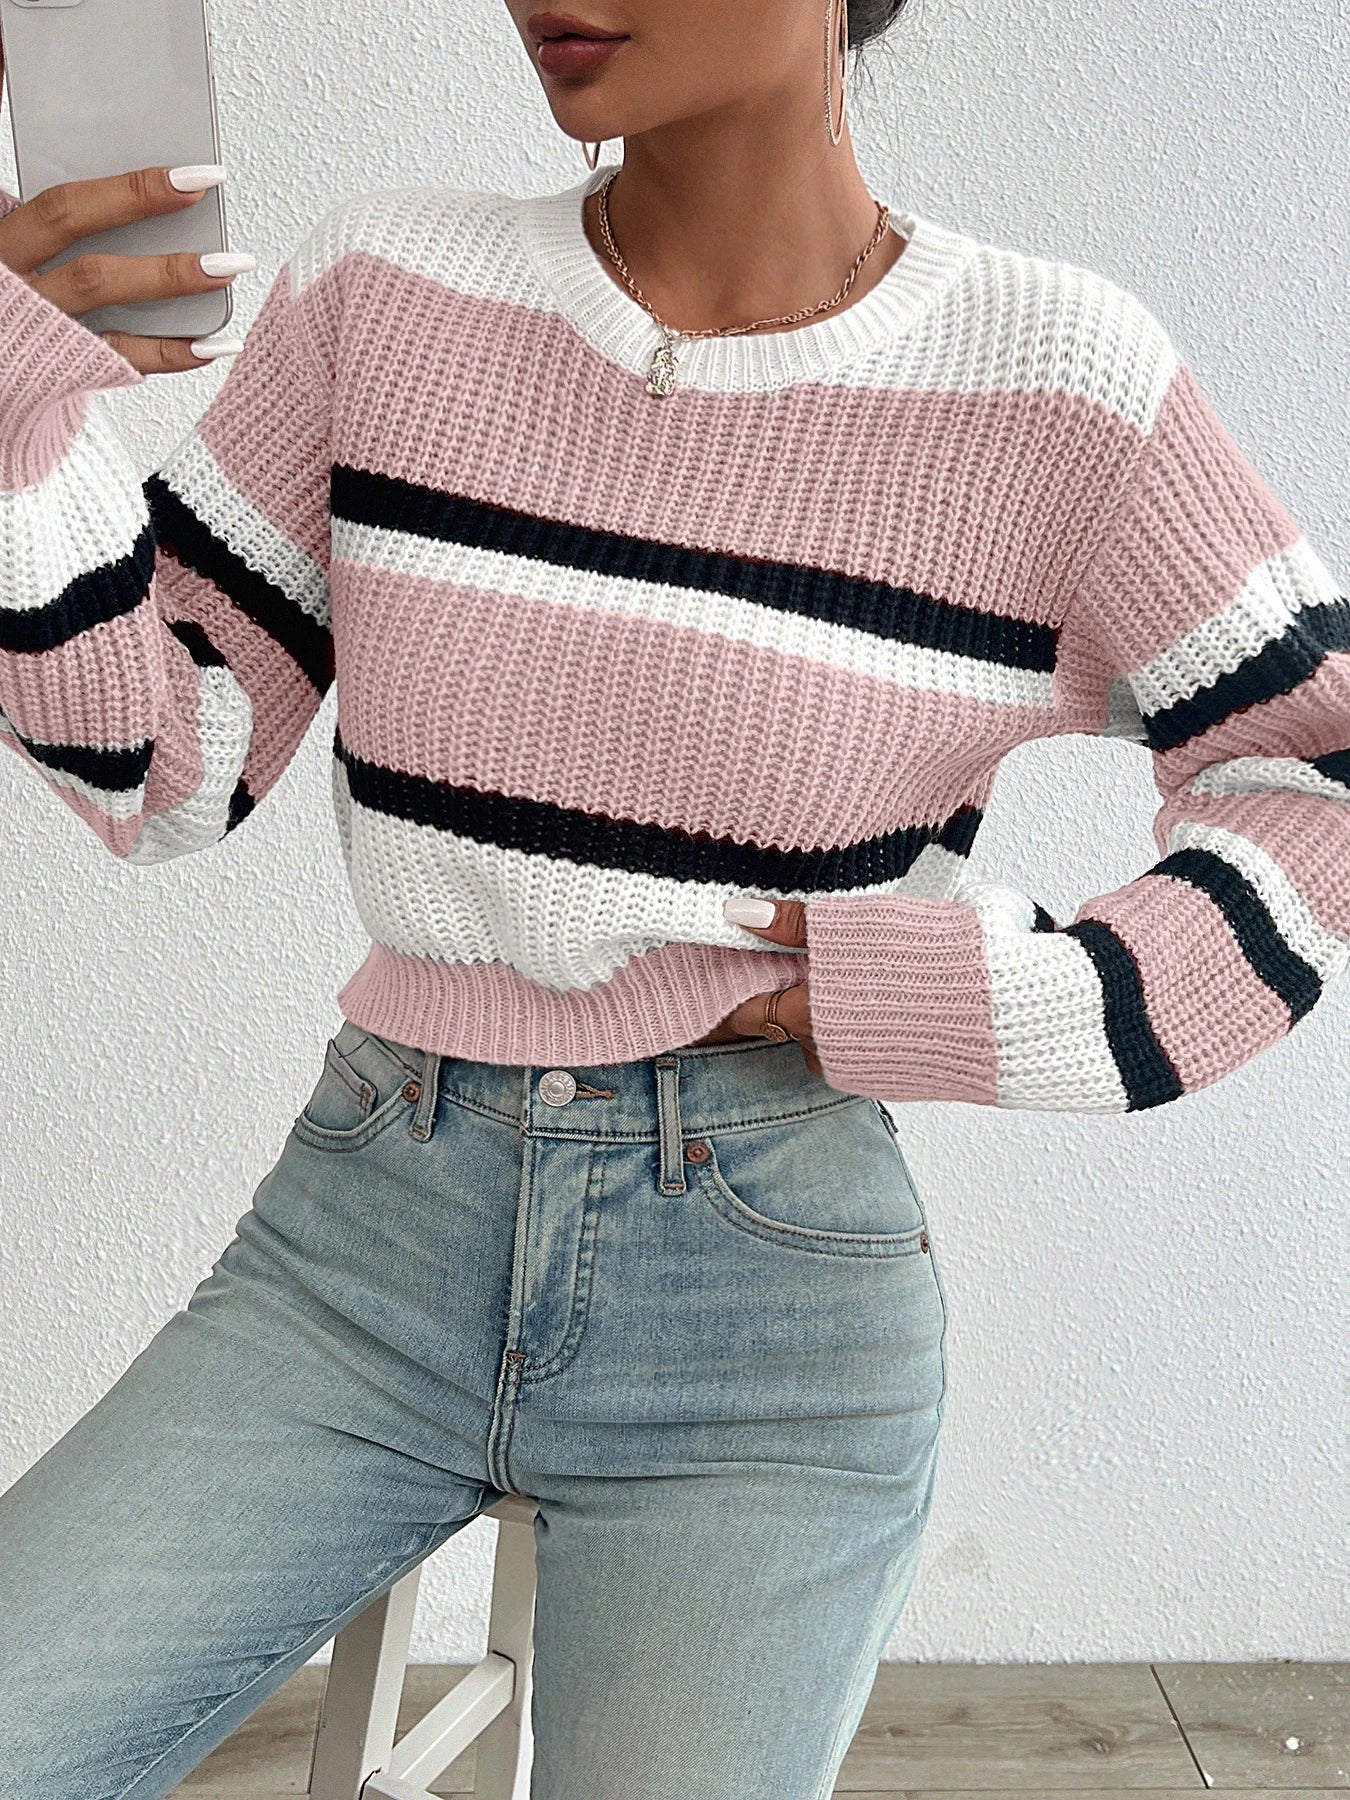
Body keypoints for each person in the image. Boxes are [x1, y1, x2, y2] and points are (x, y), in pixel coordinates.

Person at [0, 0, 1345, 1794]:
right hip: (358, 1249)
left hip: (760, 1310)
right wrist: (14, 422)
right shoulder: (382, 294)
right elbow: (168, 770)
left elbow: (1310, 776)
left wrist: (993, 999)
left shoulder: (1058, 384)